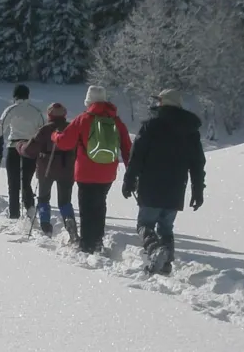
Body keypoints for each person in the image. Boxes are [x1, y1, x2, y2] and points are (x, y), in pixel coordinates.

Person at [121, 89, 205, 274]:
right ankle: (166, 264)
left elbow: (136, 157)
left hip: (151, 186)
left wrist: (129, 180)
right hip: (176, 188)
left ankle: (155, 250)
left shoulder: (151, 126)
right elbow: (197, 163)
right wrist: (198, 190)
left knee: (144, 225)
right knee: (166, 227)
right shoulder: (190, 131)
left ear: (163, 104)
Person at [53, 84, 131, 254]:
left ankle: (87, 245)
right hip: (107, 172)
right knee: (100, 205)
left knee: (87, 208)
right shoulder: (116, 120)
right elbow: (127, 148)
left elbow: (65, 142)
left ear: (88, 101)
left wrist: (55, 135)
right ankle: (97, 241)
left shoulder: (83, 119)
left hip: (86, 173)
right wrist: (131, 172)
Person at [0, 83, 45, 219]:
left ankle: (14, 214)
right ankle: (30, 207)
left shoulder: (11, 110)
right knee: (26, 181)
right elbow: (42, 132)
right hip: (30, 149)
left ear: (15, 96)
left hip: (14, 148)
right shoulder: (36, 112)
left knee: (13, 183)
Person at [20, 102, 78, 241]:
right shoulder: (71, 128)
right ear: (64, 115)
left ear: (49, 115)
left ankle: (46, 227)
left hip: (46, 169)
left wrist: (19, 146)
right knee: (65, 201)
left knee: (44, 199)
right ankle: (70, 224)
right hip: (67, 169)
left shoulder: (45, 130)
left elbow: (29, 150)